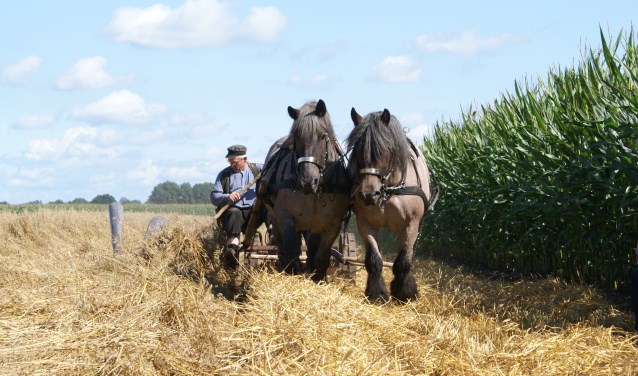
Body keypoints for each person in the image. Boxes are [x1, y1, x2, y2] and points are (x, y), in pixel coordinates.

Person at [210, 144, 263, 268]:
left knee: (270, 209)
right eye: (230, 162)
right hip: (233, 214)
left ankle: (275, 236)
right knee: (235, 212)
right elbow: (214, 197)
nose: (232, 165)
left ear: (244, 159)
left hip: (254, 213)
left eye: (235, 162)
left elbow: (273, 170)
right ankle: (232, 251)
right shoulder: (224, 175)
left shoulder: (258, 169)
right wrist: (227, 197)